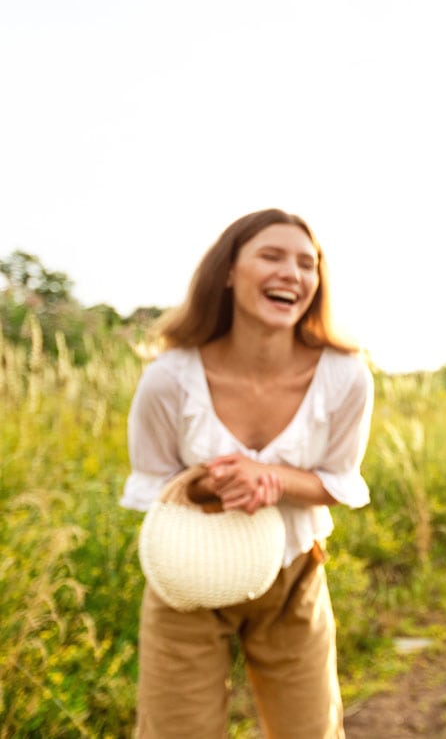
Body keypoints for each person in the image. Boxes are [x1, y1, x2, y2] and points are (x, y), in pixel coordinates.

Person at [120, 208, 374, 738]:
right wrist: (206, 485)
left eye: (308, 264)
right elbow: (150, 485)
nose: (293, 273)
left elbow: (341, 481)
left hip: (293, 575)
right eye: (272, 256)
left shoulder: (346, 376)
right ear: (229, 271)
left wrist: (273, 477)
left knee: (311, 731)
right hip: (185, 581)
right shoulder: (168, 378)